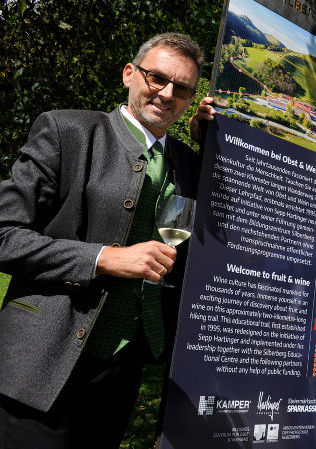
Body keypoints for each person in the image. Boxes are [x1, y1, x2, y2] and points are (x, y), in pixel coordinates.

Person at [0, 33, 205, 448]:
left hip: (121, 371)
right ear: (129, 73)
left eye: (181, 88)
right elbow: (4, 233)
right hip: (39, 363)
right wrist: (102, 259)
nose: (167, 94)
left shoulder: (188, 161)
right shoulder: (66, 129)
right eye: (156, 78)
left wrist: (214, 144)